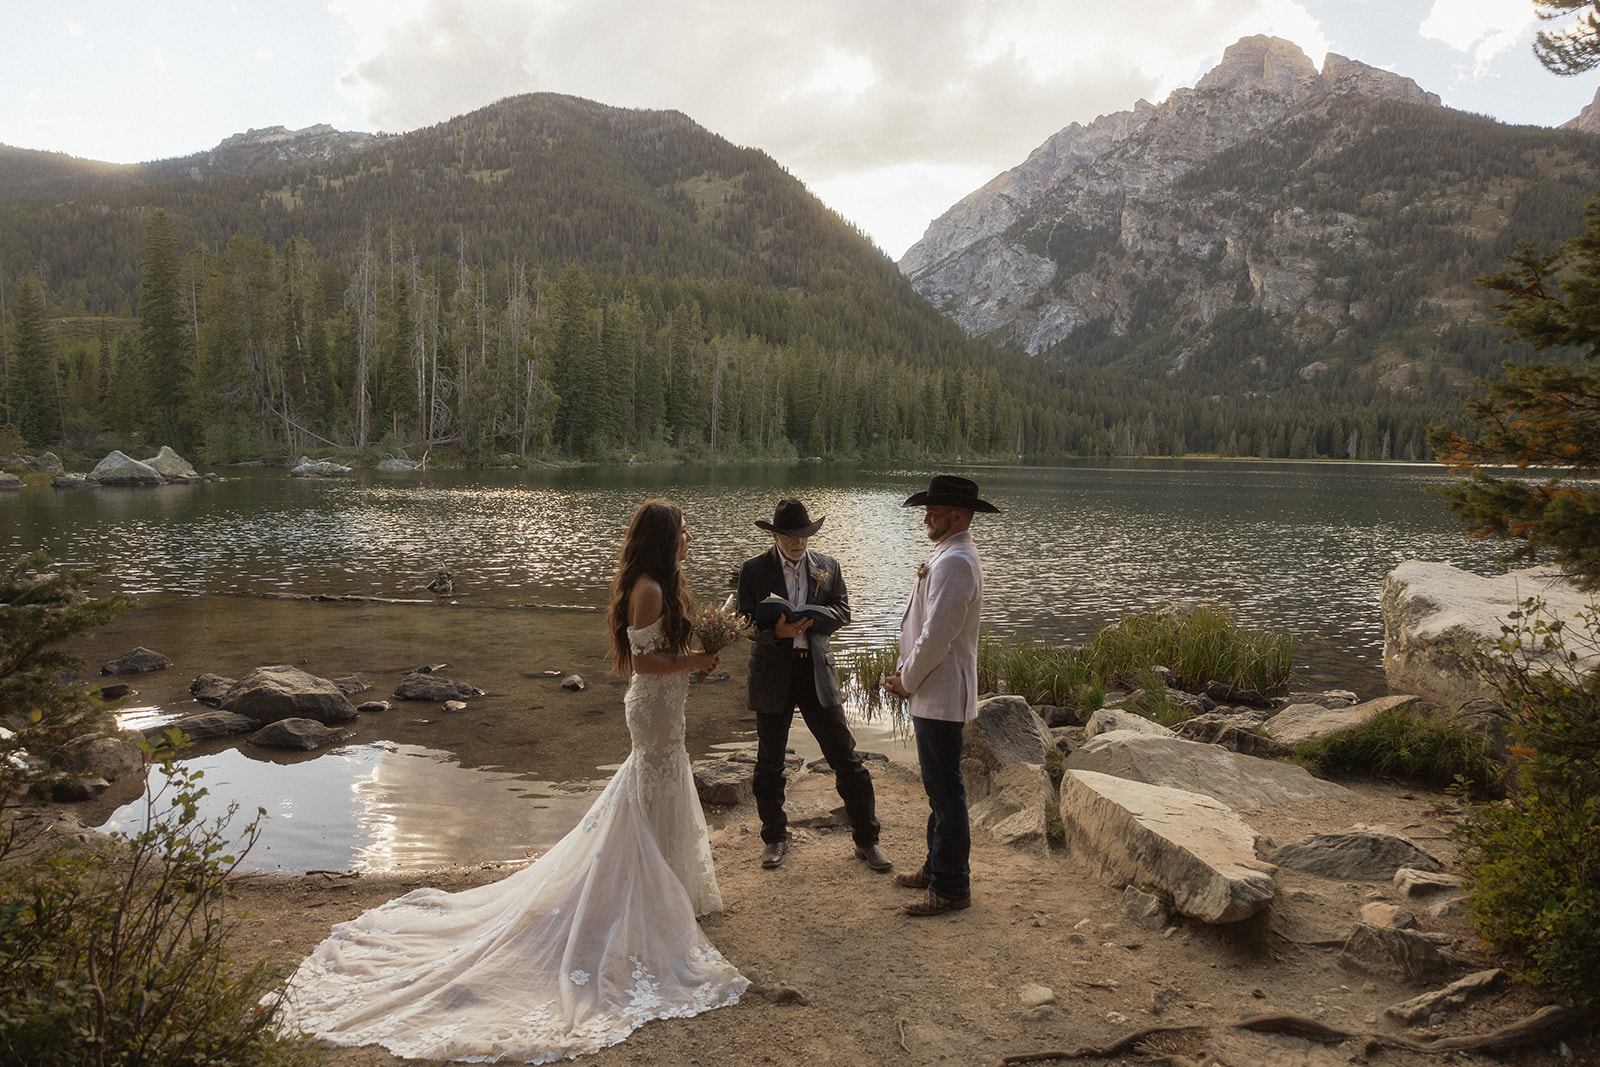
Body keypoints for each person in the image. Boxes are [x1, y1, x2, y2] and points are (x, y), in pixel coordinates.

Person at [274, 499, 747, 1061]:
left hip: (668, 707)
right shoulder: (647, 588)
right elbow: (644, 665)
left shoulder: (663, 586)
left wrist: (695, 655)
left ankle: (669, 892)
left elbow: (661, 653)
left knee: (658, 785)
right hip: (654, 705)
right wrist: (692, 664)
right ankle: (643, 900)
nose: (689, 537)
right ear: (663, 537)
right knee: (653, 783)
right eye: (684, 530)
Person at [736, 498, 891, 873]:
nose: (798, 542)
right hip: (774, 674)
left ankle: (867, 840)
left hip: (816, 673)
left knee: (847, 759)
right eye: (791, 536)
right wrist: (776, 631)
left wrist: (817, 620)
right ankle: (774, 838)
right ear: (775, 535)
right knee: (769, 764)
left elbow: (843, 610)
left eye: (804, 535)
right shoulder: (754, 570)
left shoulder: (828, 566)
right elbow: (742, 622)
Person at [884, 475, 1000, 917]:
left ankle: (952, 886)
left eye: (935, 509)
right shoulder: (948, 554)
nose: (927, 515)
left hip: (940, 689)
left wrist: (907, 681)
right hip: (932, 688)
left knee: (946, 792)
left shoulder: (956, 562)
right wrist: (907, 674)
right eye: (928, 508)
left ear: (959, 515)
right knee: (939, 790)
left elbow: (938, 638)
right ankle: (936, 868)